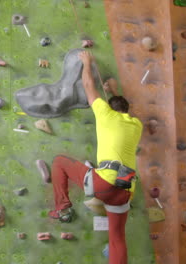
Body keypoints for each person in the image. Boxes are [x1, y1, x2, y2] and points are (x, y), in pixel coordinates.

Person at [48, 51, 143, 264]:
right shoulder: (136, 125)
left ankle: (62, 208)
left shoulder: (105, 114)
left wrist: (87, 62)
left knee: (59, 162)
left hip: (104, 183)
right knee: (117, 238)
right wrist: (114, 91)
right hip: (125, 190)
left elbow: (89, 86)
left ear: (110, 108)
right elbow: (126, 109)